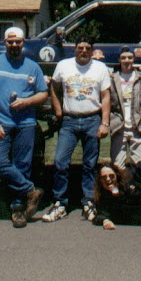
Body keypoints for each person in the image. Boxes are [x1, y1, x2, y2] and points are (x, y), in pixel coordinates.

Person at [0, 26, 48, 228]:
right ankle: (30, 190)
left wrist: (26, 102)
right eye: (10, 42)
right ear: (4, 43)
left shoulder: (33, 67)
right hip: (0, 123)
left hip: (26, 124)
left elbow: (43, 93)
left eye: (18, 42)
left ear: (23, 43)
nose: (14, 45)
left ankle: (18, 210)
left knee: (22, 165)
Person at [43, 35, 111, 223]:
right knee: (60, 162)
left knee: (90, 165)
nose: (83, 51)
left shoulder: (100, 68)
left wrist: (104, 123)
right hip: (69, 121)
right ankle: (60, 203)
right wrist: (58, 111)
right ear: (75, 49)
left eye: (87, 48)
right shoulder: (64, 66)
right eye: (80, 47)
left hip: (92, 120)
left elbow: (106, 96)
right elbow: (54, 88)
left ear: (92, 50)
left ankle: (88, 201)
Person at [109, 46, 141, 168]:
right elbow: (108, 103)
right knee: (117, 165)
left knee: (138, 165)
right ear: (119, 60)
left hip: (137, 127)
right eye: (123, 58)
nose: (127, 60)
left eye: (130, 57)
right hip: (119, 127)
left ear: (134, 59)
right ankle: (119, 187)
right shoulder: (112, 78)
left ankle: (138, 187)